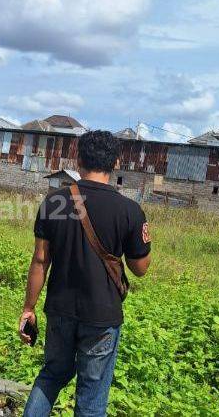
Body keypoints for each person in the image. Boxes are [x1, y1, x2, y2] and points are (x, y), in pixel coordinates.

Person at [19, 130, 152, 416]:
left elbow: (40, 261)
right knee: (92, 397)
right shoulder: (130, 210)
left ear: (78, 159)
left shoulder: (54, 202)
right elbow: (140, 269)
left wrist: (29, 308)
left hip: (59, 310)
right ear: (116, 162)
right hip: (102, 317)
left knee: (52, 374)